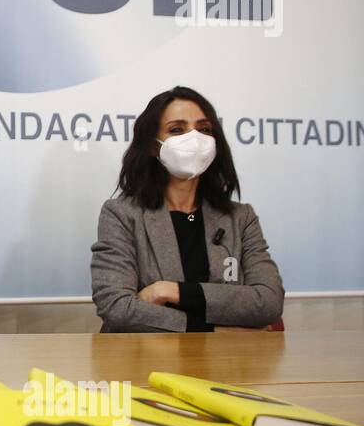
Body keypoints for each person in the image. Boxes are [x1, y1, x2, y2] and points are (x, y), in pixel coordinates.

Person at [90, 85, 284, 333]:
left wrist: (168, 291)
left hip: (226, 367)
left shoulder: (241, 218)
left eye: (203, 129)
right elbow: (117, 308)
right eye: (177, 130)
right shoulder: (122, 215)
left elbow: (268, 302)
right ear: (152, 146)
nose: (194, 139)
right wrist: (214, 330)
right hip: (148, 366)